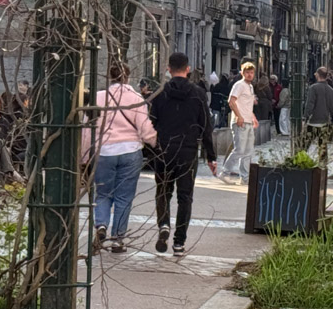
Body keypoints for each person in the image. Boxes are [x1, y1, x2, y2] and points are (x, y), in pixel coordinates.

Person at [149, 53, 217, 256]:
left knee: (163, 191)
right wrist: (211, 156)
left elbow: (150, 123)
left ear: (168, 69)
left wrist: (150, 149)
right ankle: (179, 242)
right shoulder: (198, 94)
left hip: (164, 150)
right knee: (185, 197)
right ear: (188, 69)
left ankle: (163, 224)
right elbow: (206, 126)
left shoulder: (160, 93)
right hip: (187, 151)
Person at [85, 62, 157, 253]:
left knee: (102, 194)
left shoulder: (99, 98)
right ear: (128, 76)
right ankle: (118, 239)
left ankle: (101, 225)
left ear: (109, 76)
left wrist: (84, 155)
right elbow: (144, 126)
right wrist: (154, 142)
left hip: (104, 151)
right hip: (130, 150)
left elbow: (88, 127)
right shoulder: (136, 98)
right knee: (124, 197)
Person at [221, 62, 258, 184]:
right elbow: (231, 101)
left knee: (248, 151)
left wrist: (253, 117)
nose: (249, 75)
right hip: (240, 122)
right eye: (247, 72)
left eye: (251, 73)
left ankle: (245, 178)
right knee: (240, 150)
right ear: (242, 73)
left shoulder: (250, 87)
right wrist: (239, 116)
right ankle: (225, 172)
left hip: (248, 121)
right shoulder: (239, 85)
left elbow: (246, 105)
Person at [304, 67, 333, 171]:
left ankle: (301, 163)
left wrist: (305, 117)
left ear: (317, 75)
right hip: (325, 122)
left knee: (304, 145)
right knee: (323, 147)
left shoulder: (313, 88)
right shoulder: (332, 91)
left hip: (313, 122)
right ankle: (322, 167)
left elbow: (310, 104)